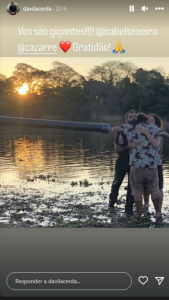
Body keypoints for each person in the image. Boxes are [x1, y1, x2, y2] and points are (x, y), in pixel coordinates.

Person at [111, 113, 168, 218]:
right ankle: (158, 213)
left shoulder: (129, 127)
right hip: (151, 166)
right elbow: (165, 135)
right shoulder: (153, 128)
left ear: (136, 119)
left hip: (136, 167)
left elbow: (114, 129)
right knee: (155, 191)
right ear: (145, 120)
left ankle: (138, 215)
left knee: (137, 192)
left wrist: (125, 129)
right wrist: (154, 131)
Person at [109, 110, 138, 214]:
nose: (133, 118)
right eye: (131, 117)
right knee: (116, 183)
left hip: (134, 163)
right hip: (122, 161)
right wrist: (128, 147)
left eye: (135, 116)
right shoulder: (121, 132)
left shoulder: (140, 131)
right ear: (126, 120)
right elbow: (117, 150)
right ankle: (111, 203)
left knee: (132, 186)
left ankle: (129, 209)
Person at [138, 114, 164, 214]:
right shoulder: (145, 132)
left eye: (151, 120)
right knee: (145, 186)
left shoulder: (158, 133)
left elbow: (155, 144)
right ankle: (146, 206)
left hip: (156, 163)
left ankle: (159, 211)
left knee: (158, 187)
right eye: (147, 120)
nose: (148, 122)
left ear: (156, 123)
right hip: (145, 163)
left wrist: (146, 132)